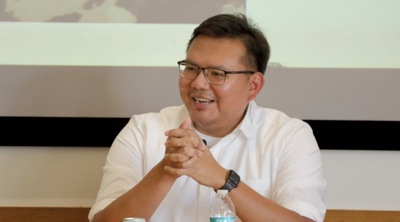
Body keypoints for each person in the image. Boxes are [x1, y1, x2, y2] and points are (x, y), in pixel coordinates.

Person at [89, 14, 327, 222]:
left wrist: (223, 179)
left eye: (217, 73)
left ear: (253, 85)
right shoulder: (142, 131)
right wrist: (167, 170)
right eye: (191, 68)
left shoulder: (289, 136)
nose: (198, 83)